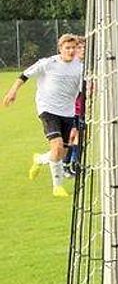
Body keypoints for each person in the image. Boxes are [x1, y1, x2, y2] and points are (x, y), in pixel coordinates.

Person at [4, 34, 84, 197]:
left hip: (68, 112)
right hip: (47, 109)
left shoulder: (80, 67)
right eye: (67, 48)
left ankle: (39, 159)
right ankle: (57, 187)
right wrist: (13, 91)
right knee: (57, 146)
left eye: (73, 48)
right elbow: (25, 75)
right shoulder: (48, 63)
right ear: (60, 49)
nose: (71, 51)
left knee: (60, 153)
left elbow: (82, 91)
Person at [64, 38, 87, 178]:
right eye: (79, 48)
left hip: (81, 108)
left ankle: (74, 164)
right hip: (71, 109)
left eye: (84, 48)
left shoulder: (83, 66)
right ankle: (68, 165)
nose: (82, 50)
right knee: (73, 136)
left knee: (78, 136)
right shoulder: (70, 67)